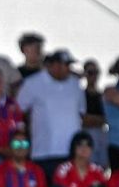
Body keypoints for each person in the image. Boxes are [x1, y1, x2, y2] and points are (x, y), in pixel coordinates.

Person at [16, 49, 84, 178]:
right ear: (54, 65)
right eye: (65, 65)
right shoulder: (32, 83)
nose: (68, 69)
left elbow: (81, 113)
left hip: (72, 153)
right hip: (43, 151)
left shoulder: (76, 84)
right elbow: (18, 110)